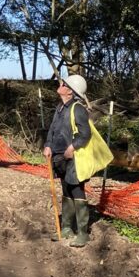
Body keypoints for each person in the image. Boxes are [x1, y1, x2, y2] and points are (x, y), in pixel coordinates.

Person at [43, 74, 92, 247]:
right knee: (66, 190)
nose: (61, 84)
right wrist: (48, 145)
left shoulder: (78, 109)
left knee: (76, 190)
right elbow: (52, 130)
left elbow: (85, 134)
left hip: (74, 158)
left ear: (70, 91)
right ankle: (66, 229)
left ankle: (83, 233)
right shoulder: (60, 108)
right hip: (58, 157)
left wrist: (73, 147)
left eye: (64, 84)